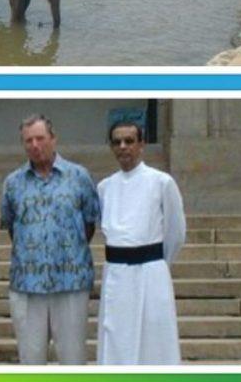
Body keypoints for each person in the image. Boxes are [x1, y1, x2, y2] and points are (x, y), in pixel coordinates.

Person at [0, 114, 100, 365]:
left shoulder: (79, 176)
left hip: (71, 280)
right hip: (27, 283)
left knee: (73, 358)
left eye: (40, 138)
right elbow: (12, 225)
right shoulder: (13, 183)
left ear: (53, 139)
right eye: (28, 140)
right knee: (31, 359)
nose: (35, 145)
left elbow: (89, 223)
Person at [96, 121, 186, 365]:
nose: (123, 147)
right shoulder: (104, 188)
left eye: (129, 141)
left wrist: (156, 265)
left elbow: (176, 232)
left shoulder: (161, 182)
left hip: (151, 273)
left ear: (141, 144)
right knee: (116, 339)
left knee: (154, 341)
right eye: (117, 142)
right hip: (116, 274)